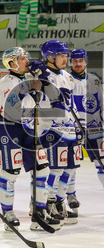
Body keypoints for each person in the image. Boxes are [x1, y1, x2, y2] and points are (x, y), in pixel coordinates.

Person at [0, 48, 56, 229]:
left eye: (26, 57)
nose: (26, 60)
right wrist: (34, 87)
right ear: (12, 63)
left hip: (30, 128)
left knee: (42, 169)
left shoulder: (29, 78)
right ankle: (8, 213)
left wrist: (44, 78)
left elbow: (50, 98)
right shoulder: (5, 82)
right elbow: (12, 108)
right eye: (22, 58)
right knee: (10, 173)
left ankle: (39, 213)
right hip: (9, 129)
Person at [36, 41, 79, 224]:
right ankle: (49, 203)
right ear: (50, 58)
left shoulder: (68, 77)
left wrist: (77, 126)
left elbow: (71, 106)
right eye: (62, 56)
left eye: (65, 56)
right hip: (52, 129)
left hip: (69, 129)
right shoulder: (41, 77)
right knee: (55, 169)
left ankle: (60, 201)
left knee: (70, 168)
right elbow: (38, 106)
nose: (65, 59)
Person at [68, 48, 104, 208]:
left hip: (95, 130)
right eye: (75, 61)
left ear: (85, 61)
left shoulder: (94, 80)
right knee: (71, 164)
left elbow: (101, 104)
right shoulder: (67, 80)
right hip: (74, 131)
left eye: (80, 60)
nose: (78, 64)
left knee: (102, 162)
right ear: (70, 62)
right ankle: (70, 195)